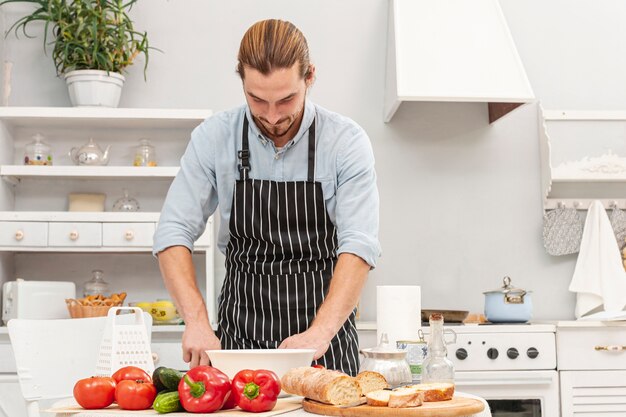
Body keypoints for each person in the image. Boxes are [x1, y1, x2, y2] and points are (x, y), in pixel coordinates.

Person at [153, 18, 380, 376]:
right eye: (257, 100)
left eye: (286, 99)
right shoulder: (213, 138)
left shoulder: (346, 143)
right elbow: (172, 234)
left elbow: (359, 246)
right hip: (239, 340)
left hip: (323, 346)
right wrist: (196, 321)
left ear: (310, 77)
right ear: (241, 81)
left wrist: (319, 333)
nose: (273, 117)